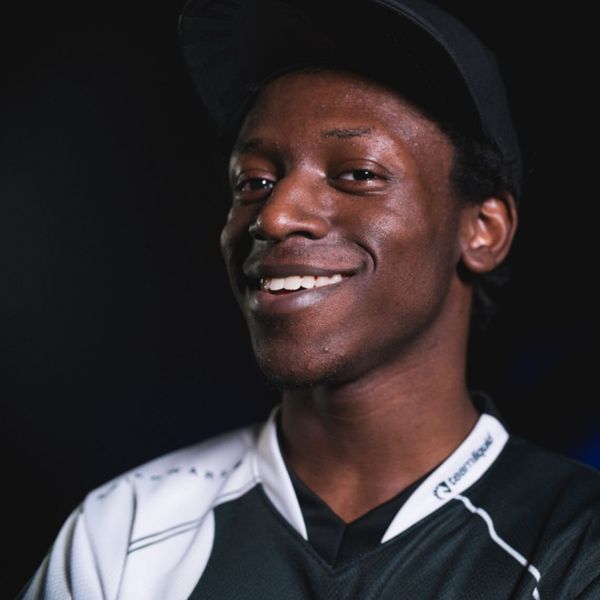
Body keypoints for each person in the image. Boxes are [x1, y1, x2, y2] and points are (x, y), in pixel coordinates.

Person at [21, 0, 600, 598]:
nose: (274, 216)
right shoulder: (121, 534)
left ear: (483, 230)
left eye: (359, 174)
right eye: (254, 182)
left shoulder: (577, 547)